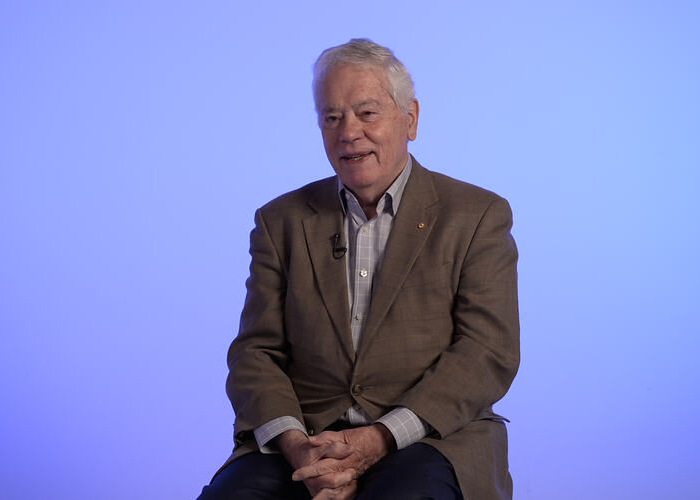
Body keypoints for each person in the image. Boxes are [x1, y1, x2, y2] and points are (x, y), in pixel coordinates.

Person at [198, 38, 519, 500]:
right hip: (306, 440)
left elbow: (487, 352)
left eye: (367, 113)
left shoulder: (476, 215)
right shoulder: (280, 221)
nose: (348, 132)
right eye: (332, 117)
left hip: (432, 438)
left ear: (409, 119)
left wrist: (378, 439)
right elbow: (255, 355)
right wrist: (300, 450)